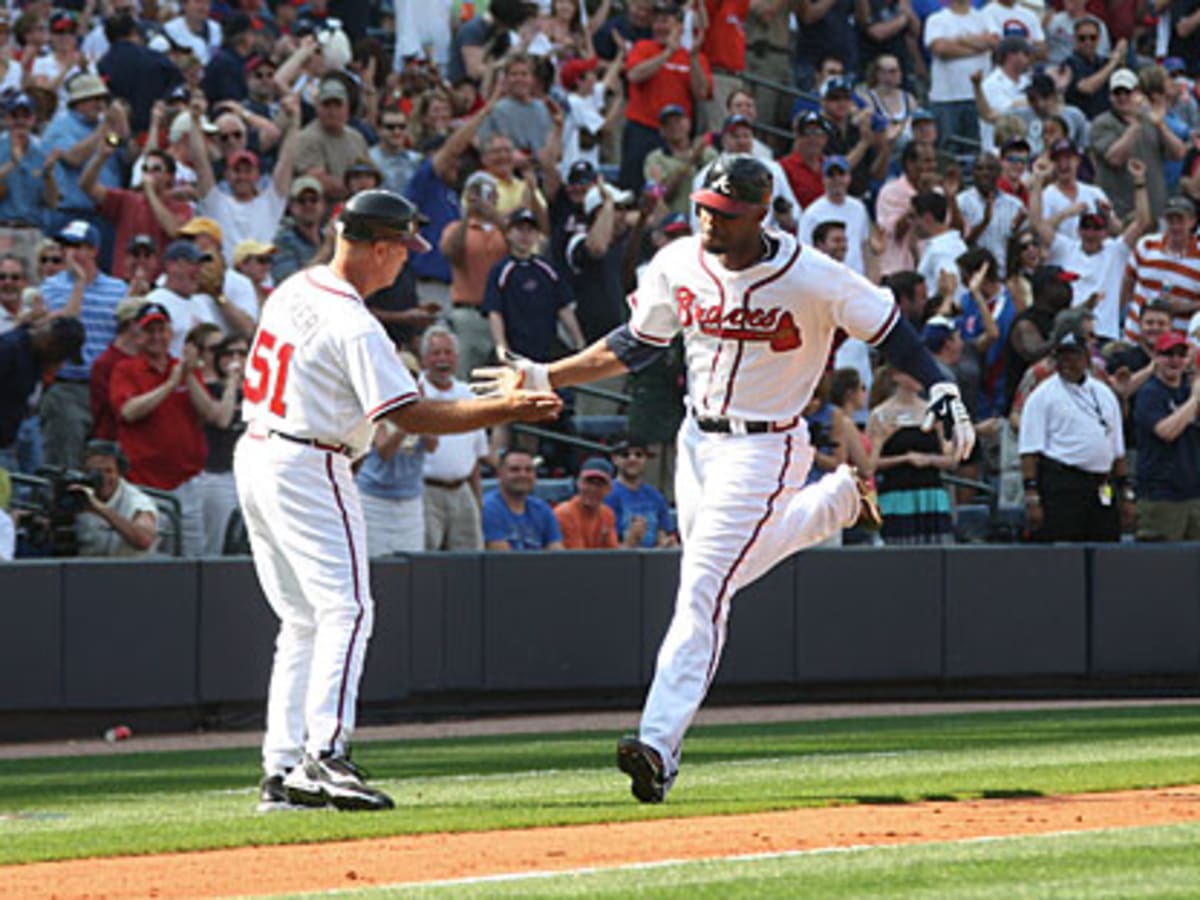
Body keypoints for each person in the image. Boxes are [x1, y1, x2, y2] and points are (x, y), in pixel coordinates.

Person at [472, 154, 975, 803]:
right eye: (705, 209)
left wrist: (941, 386)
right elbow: (636, 342)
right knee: (715, 578)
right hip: (696, 441)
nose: (710, 223)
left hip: (767, 448)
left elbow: (895, 334)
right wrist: (548, 375)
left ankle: (657, 742)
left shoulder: (815, 276)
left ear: (761, 214)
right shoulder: (679, 261)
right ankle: (837, 503)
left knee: (704, 587)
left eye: (727, 215)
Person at [233, 190, 561, 813]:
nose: (404, 261)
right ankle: (323, 756)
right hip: (309, 458)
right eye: (402, 248)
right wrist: (507, 407)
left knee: (304, 620)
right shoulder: (353, 321)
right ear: (377, 247)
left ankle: (282, 769)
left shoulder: (297, 287)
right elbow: (410, 413)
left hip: (260, 449)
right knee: (348, 610)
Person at [110, 302, 220, 557]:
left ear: (171, 333)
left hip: (187, 481)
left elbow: (210, 413)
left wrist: (189, 375)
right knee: (146, 557)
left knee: (194, 557)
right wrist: (171, 384)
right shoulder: (127, 369)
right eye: (150, 331)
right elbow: (129, 411)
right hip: (145, 484)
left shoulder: (181, 367)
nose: (157, 338)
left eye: (162, 330)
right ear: (138, 334)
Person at [1019, 324, 1131, 542]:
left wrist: (1126, 492)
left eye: (1074, 356)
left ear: (1087, 358)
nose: (1067, 362)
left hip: (1101, 483)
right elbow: (1029, 450)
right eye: (1062, 357)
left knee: (1105, 547)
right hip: (1062, 483)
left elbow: (1117, 449)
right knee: (1064, 550)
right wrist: (1032, 496)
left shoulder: (1104, 393)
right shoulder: (1042, 395)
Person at [39, 220, 128, 469]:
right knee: (64, 465)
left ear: (93, 251)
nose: (70, 253)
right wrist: (79, 285)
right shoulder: (51, 287)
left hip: (105, 387)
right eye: (66, 246)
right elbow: (63, 330)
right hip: (67, 385)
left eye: (77, 246)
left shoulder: (117, 289)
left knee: (104, 464)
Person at [419, 326, 489, 551]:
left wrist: (477, 502)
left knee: (469, 565)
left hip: (462, 491)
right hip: (425, 492)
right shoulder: (414, 392)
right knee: (426, 564)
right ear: (424, 359)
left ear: (457, 359)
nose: (442, 359)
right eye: (436, 353)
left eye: (448, 353)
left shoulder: (468, 395)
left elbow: (475, 456)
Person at [1130, 330, 1200, 540]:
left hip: (1194, 492)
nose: (1175, 361)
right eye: (1168, 354)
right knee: (1160, 566)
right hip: (1160, 496)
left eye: (1180, 355)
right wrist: (1195, 401)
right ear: (1156, 358)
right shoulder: (1150, 393)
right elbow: (1167, 431)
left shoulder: (1187, 389)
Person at [72, 439, 159, 557]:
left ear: (120, 472)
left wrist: (101, 510)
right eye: (94, 472)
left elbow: (144, 540)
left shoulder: (137, 501)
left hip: (129, 571)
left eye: (108, 471)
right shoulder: (77, 493)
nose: (102, 478)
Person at [482, 448, 566, 550]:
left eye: (529, 470)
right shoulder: (488, 508)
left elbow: (557, 553)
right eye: (515, 469)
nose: (523, 475)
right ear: (499, 474)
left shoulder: (542, 508)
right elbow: (502, 559)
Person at [606, 436, 676, 547]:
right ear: (614, 459)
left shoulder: (656, 496)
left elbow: (662, 534)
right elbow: (605, 546)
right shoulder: (607, 495)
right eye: (625, 455)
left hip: (653, 560)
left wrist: (667, 543)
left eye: (638, 455)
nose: (632, 459)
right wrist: (631, 540)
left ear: (645, 459)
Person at [554, 456, 623, 549]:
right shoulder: (564, 513)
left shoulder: (607, 514)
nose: (593, 489)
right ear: (578, 483)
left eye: (600, 484)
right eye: (589, 482)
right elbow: (578, 558)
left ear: (609, 489)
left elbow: (614, 554)